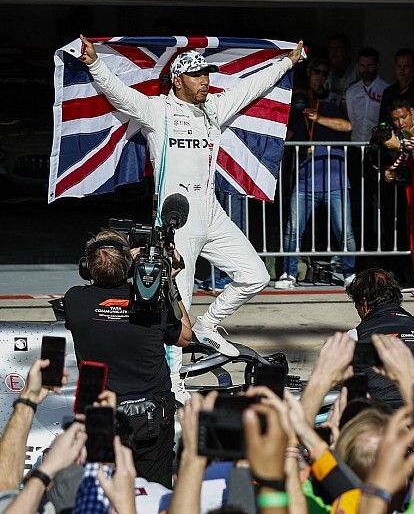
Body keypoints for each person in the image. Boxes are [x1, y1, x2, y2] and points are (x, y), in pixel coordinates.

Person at [77, 36, 304, 400]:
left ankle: (210, 324)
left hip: (212, 213)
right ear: (178, 80)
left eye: (207, 75)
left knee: (255, 275)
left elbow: (250, 88)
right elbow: (117, 92)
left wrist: (287, 63)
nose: (206, 81)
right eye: (198, 76)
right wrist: (93, 63)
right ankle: (174, 383)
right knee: (174, 309)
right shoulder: (156, 110)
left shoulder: (213, 108)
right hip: (173, 223)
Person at [63, 229, 193, 486]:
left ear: (86, 268)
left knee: (104, 489)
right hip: (151, 417)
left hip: (103, 415)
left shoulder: (75, 300)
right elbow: (185, 337)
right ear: (130, 265)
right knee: (154, 491)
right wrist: (166, 281)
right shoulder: (153, 305)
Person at [275, 57, 357, 290]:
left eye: (323, 73)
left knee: (345, 231)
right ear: (308, 75)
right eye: (316, 72)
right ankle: (288, 273)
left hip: (335, 180)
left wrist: (319, 118)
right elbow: (285, 137)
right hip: (304, 180)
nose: (319, 77)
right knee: (293, 230)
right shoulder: (296, 109)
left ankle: (350, 273)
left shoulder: (331, 103)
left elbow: (348, 127)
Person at [345, 269, 414, 407]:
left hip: (379, 418)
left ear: (364, 303)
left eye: (357, 306)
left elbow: (343, 383)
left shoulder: (355, 336)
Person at [345, 47, 389, 142]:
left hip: (378, 146)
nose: (365, 69)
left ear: (377, 65)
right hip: (355, 145)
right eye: (362, 65)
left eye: (369, 65)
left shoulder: (386, 90)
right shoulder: (351, 91)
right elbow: (351, 120)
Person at [378, 48, 414, 123]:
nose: (402, 70)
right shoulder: (388, 93)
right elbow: (382, 120)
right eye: (399, 66)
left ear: (413, 67)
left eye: (406, 66)